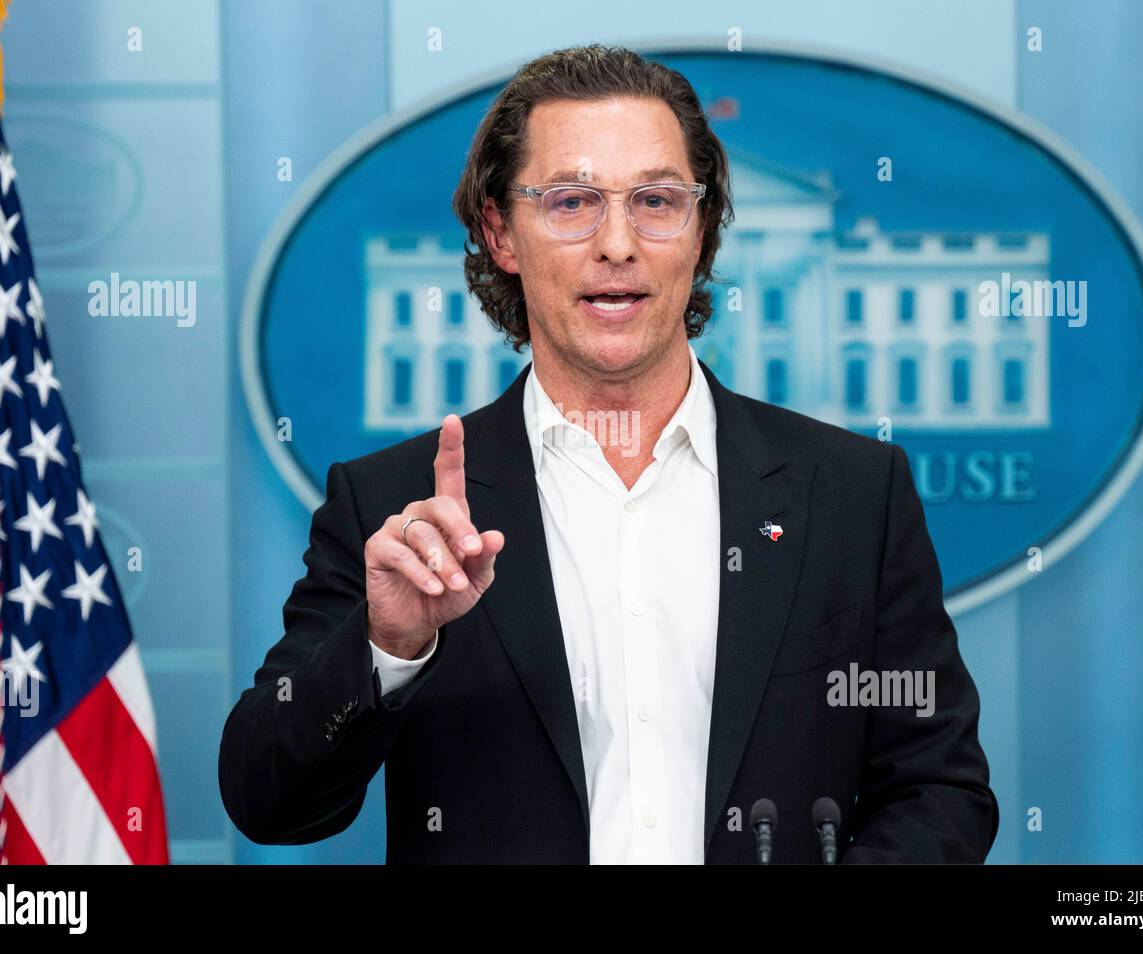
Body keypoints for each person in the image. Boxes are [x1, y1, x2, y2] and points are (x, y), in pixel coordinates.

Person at [218, 43, 999, 864]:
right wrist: (389, 646)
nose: (618, 243)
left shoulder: (853, 491)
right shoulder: (393, 505)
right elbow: (269, 801)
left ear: (701, 231)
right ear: (501, 233)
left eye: (657, 200)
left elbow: (939, 793)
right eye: (571, 202)